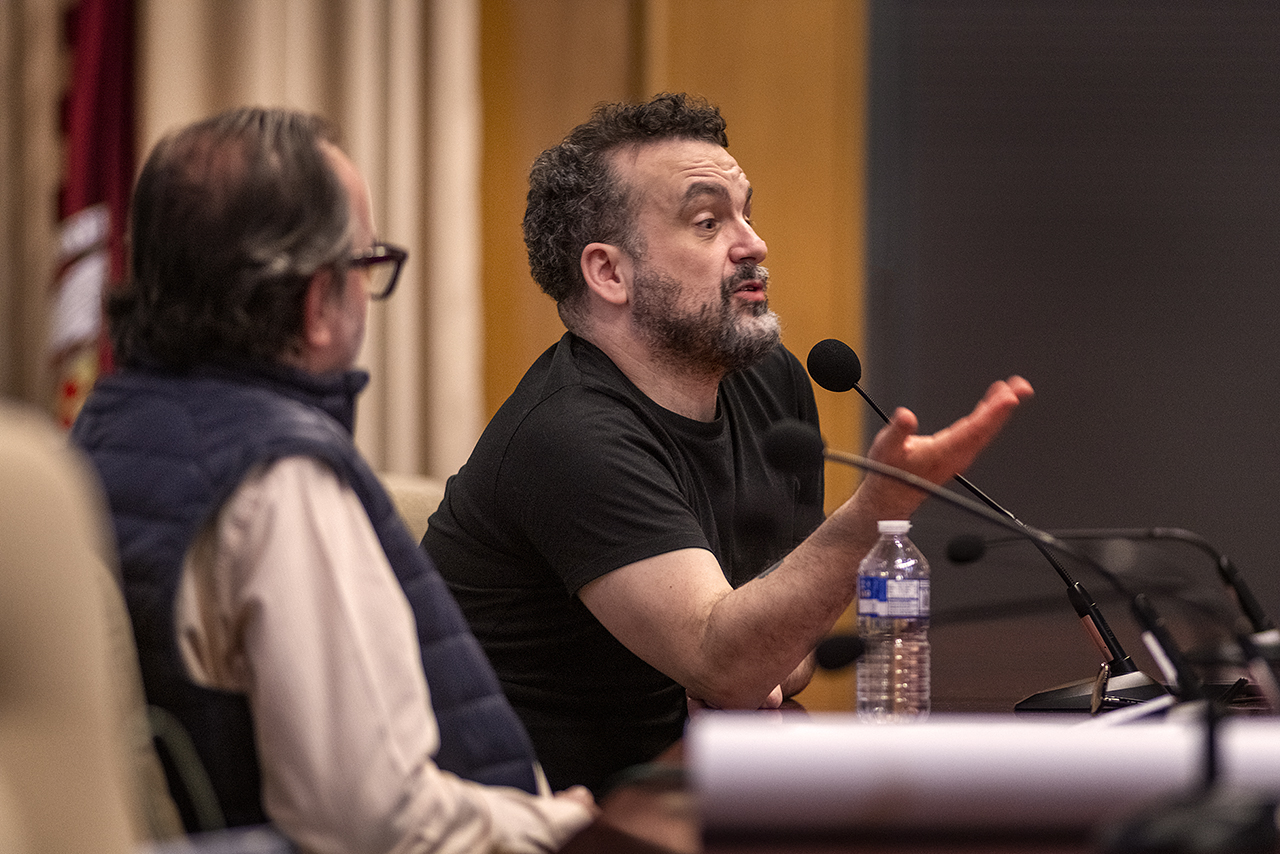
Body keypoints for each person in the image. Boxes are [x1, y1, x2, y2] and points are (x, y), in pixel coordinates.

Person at [422, 92, 1034, 794]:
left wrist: (747, 654)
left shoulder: (770, 384)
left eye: (746, 212)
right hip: (552, 820)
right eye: (708, 221)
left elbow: (783, 649)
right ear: (609, 273)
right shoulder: (567, 436)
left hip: (694, 789)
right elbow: (733, 662)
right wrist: (876, 511)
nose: (753, 244)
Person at [71, 107, 595, 854]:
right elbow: (375, 819)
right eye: (367, 263)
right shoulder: (281, 481)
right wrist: (564, 825)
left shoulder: (105, 424)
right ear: (319, 302)